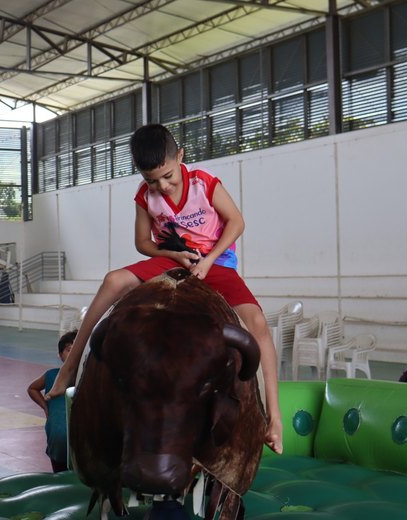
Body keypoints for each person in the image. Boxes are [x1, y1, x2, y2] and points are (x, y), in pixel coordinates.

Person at [46, 124, 283, 454]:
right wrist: (172, 253)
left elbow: (237, 222)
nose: (162, 185)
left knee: (257, 324)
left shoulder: (204, 183)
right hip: (173, 260)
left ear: (180, 158)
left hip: (216, 262)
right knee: (114, 280)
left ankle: (273, 418)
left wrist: (209, 260)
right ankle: (70, 368)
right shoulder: (145, 197)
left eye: (168, 176)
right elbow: (142, 242)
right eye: (151, 180)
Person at [28, 330, 76, 472]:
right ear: (60, 354)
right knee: (60, 474)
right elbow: (32, 388)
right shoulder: (51, 375)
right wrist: (45, 407)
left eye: (77, 350)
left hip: (78, 440)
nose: (73, 355)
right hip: (56, 439)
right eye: (68, 350)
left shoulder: (86, 377)